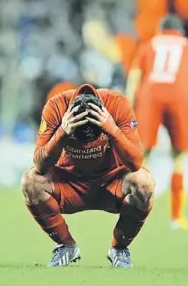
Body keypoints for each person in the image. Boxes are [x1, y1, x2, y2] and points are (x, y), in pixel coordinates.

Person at [21, 83, 155, 267]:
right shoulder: (56, 106)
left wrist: (111, 128)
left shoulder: (118, 104)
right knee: (30, 182)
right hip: (69, 183)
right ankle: (66, 245)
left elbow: (136, 163)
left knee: (144, 182)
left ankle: (119, 248)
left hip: (110, 181)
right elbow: (40, 165)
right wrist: (62, 132)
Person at [126, 14, 188, 230]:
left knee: (142, 157)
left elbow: (134, 77)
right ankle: (176, 217)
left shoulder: (148, 45)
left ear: (161, 30)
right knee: (179, 157)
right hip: (181, 98)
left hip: (150, 97)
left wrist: (129, 109)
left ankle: (134, 212)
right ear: (180, 31)